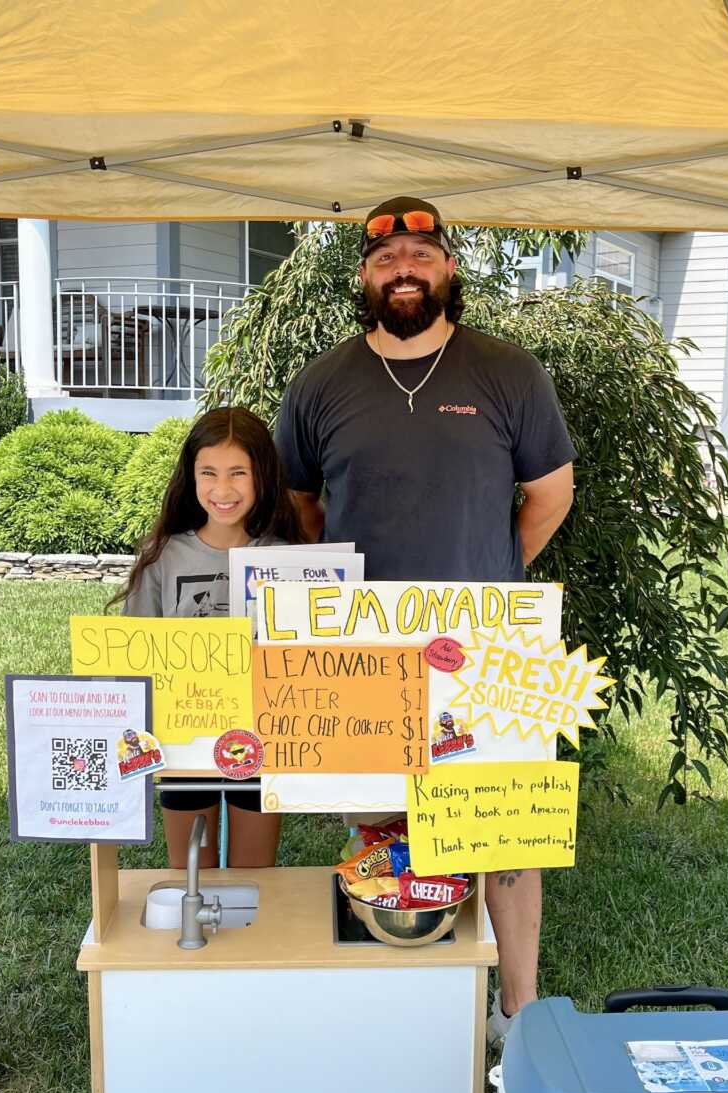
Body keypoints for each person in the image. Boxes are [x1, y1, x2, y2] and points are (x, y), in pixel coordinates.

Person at [275, 196, 576, 1042]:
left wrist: (492, 572)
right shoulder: (322, 381)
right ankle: (400, 996)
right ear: (364, 278)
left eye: (420, 256)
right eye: (385, 261)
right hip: (362, 648)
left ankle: (517, 1016)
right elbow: (302, 503)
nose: (402, 270)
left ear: (448, 269)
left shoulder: (508, 372)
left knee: (507, 830)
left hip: (493, 641)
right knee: (385, 826)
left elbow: (550, 494)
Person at [110, 405, 305, 870]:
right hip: (182, 739)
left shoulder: (290, 560)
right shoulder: (164, 556)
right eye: (208, 473)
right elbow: (134, 655)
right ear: (190, 476)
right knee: (189, 877)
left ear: (263, 477)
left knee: (255, 879)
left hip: (259, 739)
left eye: (239, 472)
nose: (222, 489)